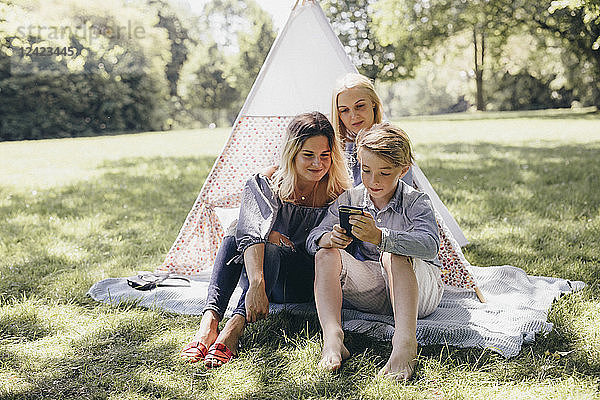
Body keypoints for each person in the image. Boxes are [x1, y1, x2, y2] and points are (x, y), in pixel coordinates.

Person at [180, 111, 352, 368]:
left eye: (325, 155)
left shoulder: (337, 192)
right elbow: (250, 232)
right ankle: (210, 321)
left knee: (266, 244)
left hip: (303, 282)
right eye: (308, 155)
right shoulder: (267, 181)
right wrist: (257, 281)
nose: (318, 163)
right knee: (239, 228)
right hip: (261, 275)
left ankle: (234, 327)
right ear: (292, 153)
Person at [306, 122, 444, 380]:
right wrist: (329, 237)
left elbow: (430, 245)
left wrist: (381, 237)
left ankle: (405, 343)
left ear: (403, 170)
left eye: (384, 173)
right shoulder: (351, 198)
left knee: (394, 252)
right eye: (366, 171)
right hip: (376, 288)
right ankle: (333, 336)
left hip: (419, 291)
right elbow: (313, 237)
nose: (373, 181)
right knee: (325, 253)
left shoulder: (416, 201)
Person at [331, 73, 413, 187]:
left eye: (359, 106)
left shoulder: (392, 141)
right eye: (344, 110)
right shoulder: (336, 148)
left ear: (373, 103)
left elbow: (404, 192)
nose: (354, 116)